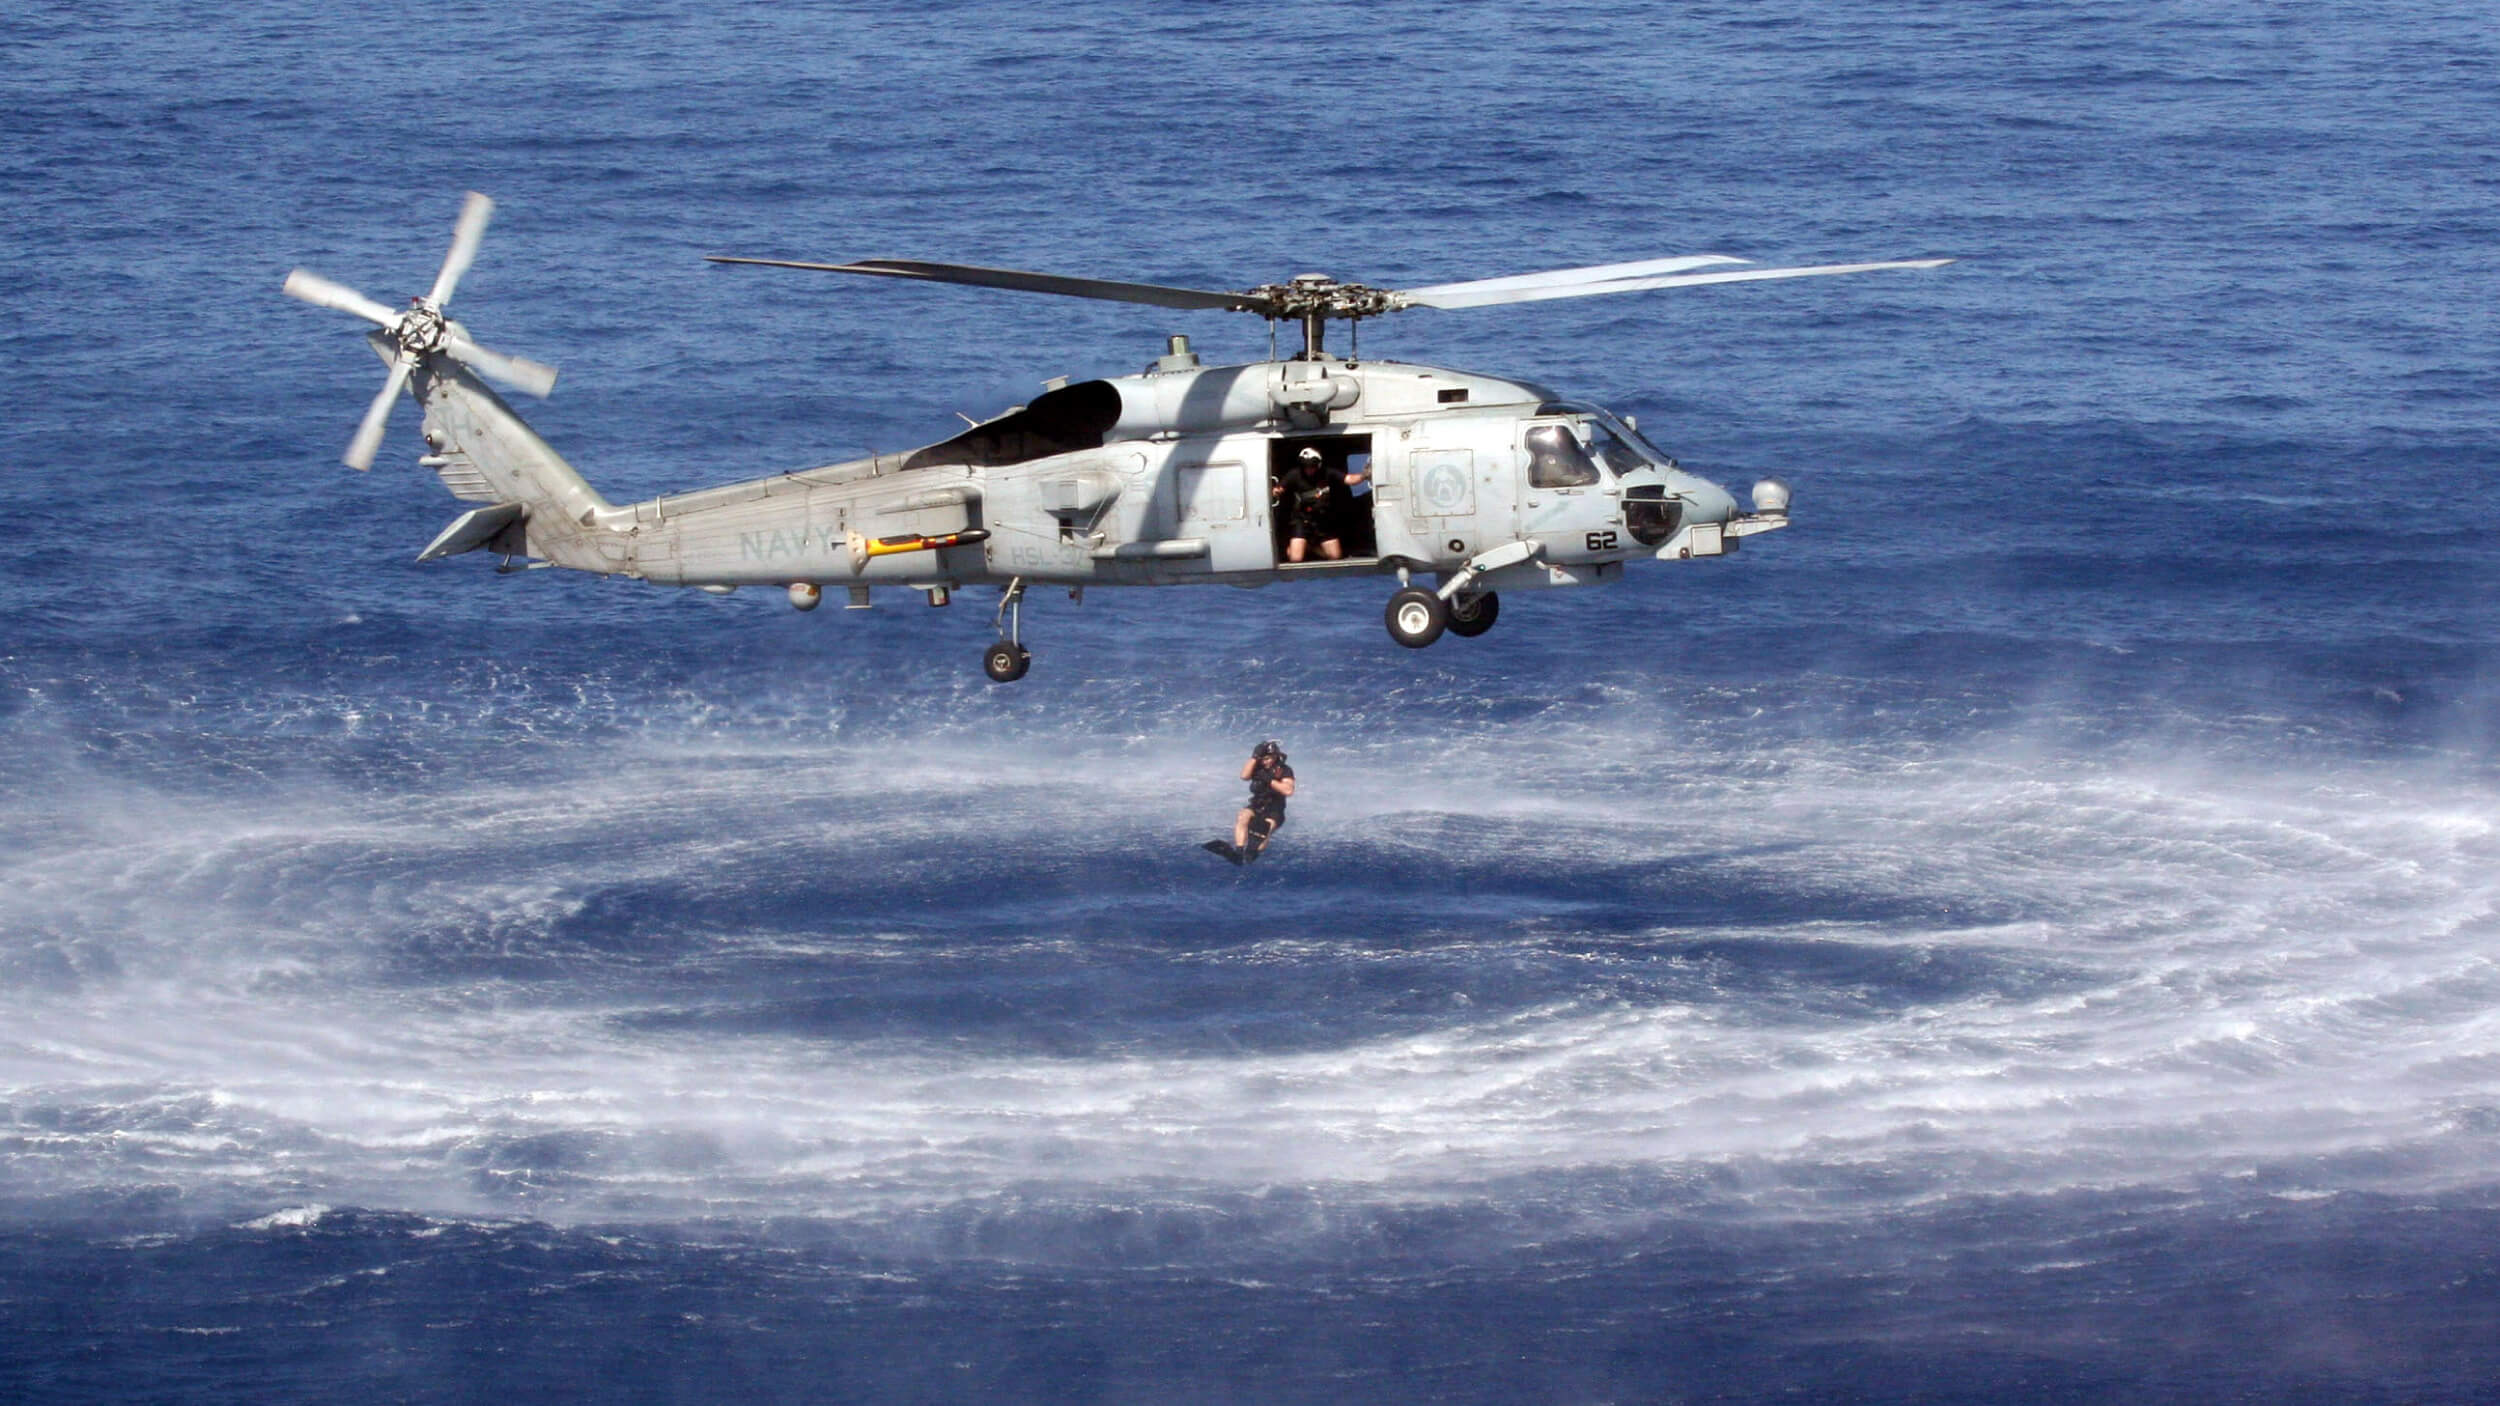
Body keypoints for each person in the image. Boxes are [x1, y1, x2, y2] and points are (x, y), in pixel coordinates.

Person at [1274, 447, 1367, 562]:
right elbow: (1280, 488)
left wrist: (1364, 476)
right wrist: (1276, 492)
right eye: (1306, 466)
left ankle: (1311, 548)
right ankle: (1298, 548)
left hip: (1323, 520)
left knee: (1335, 557)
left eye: (1312, 466)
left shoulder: (1328, 472)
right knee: (1296, 558)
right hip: (1302, 520)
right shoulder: (1294, 474)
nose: (1309, 469)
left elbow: (1349, 479)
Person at [1210, 739, 1294, 865]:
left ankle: (1254, 853)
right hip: (1257, 805)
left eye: (1269, 758)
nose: (1266, 761)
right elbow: (1244, 776)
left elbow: (1288, 791)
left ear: (1275, 756)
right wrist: (1254, 757)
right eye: (1263, 759)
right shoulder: (1257, 767)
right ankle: (1239, 852)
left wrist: (1270, 780)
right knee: (1243, 816)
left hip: (1275, 810)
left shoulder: (1284, 770)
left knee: (1265, 828)